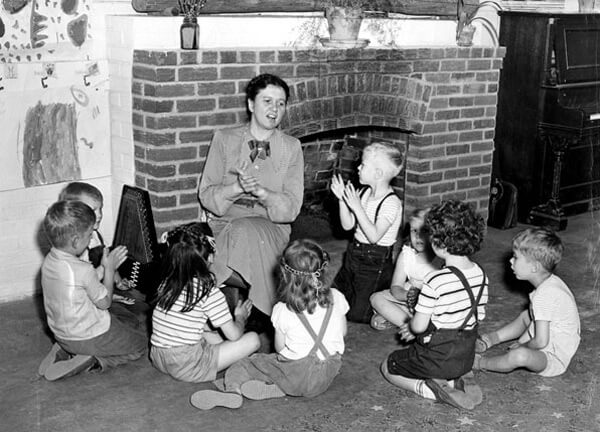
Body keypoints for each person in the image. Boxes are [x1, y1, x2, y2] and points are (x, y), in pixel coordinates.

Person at [198, 73, 304, 339]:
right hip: (225, 222)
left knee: (244, 231)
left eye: (281, 103)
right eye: (267, 101)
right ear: (250, 104)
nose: (274, 109)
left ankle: (198, 308)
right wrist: (238, 188)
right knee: (237, 231)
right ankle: (266, 320)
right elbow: (207, 194)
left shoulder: (292, 147)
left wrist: (263, 193)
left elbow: (291, 207)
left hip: (270, 225)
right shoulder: (223, 139)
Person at [189, 239, 349, 410]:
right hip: (326, 374)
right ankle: (279, 387)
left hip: (296, 374)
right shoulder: (336, 297)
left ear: (286, 275)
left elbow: (280, 349)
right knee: (289, 369)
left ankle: (234, 391)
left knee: (246, 364)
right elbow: (344, 332)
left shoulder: (282, 310)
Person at [381, 200, 488, 410]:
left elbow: (420, 327)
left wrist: (412, 327)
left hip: (435, 358)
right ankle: (459, 376)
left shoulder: (435, 281)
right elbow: (478, 316)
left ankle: (427, 388)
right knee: (451, 358)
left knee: (389, 365)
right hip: (465, 356)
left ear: (439, 244)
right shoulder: (481, 275)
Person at [38, 200, 147, 381]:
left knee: (126, 321)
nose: (91, 239)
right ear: (75, 241)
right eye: (89, 235)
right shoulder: (83, 269)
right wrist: (110, 271)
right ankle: (93, 360)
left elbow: (80, 283)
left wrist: (103, 269)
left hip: (62, 334)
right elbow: (105, 303)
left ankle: (62, 348)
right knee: (141, 344)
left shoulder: (50, 261)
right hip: (88, 337)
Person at [149, 222, 260, 383]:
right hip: (187, 365)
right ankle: (235, 377)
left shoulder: (167, 282)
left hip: (159, 356)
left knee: (213, 333)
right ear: (210, 257)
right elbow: (235, 335)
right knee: (253, 339)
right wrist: (240, 317)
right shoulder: (208, 292)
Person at [473, 227, 580, 378]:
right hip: (552, 335)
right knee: (527, 316)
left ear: (535, 267)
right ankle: (493, 338)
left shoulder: (544, 295)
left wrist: (522, 345)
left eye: (516, 257)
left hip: (552, 356)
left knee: (519, 356)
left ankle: (480, 363)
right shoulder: (551, 282)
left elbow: (541, 341)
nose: (511, 261)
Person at [330, 142, 403, 323]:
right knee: (335, 299)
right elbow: (348, 226)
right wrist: (342, 201)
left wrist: (356, 207)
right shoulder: (364, 193)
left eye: (363, 165)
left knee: (357, 315)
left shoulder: (390, 203)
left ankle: (389, 308)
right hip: (354, 254)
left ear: (378, 174)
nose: (358, 167)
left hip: (375, 262)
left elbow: (374, 236)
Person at [58, 182, 133, 303]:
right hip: (82, 297)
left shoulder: (95, 234)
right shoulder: (75, 246)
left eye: (100, 208)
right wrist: (106, 268)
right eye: (93, 210)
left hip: (99, 286)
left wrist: (118, 281)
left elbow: (107, 260)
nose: (99, 215)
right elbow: (84, 283)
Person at [369, 208, 441, 331]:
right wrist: (408, 296)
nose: (418, 236)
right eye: (414, 231)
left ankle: (414, 326)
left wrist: (422, 299)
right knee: (376, 299)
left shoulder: (442, 256)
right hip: (410, 299)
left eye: (424, 231)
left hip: (435, 304)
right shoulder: (407, 254)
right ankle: (411, 325)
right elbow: (396, 286)